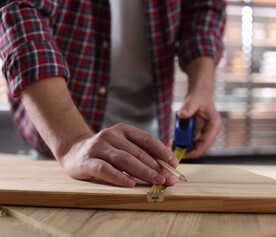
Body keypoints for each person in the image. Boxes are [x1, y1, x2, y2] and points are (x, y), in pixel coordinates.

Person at [0, 1, 225, 187]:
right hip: (59, 135)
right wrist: (72, 143)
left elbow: (204, 10)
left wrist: (202, 89)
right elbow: (19, 11)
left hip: (154, 132)